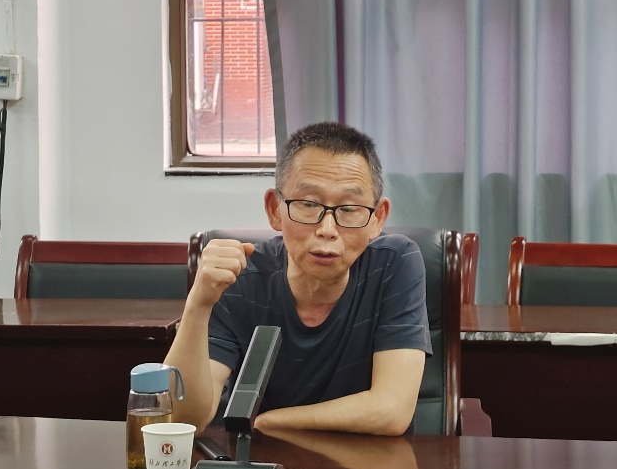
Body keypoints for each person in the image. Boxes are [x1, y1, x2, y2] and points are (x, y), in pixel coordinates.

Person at [165, 122, 430, 436]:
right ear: (274, 209)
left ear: (377, 218)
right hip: (259, 462)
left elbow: (391, 411)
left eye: (349, 209)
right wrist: (198, 304)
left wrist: (269, 421)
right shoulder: (240, 276)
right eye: (307, 205)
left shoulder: (394, 264)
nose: (327, 230)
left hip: (367, 462)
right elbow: (184, 420)